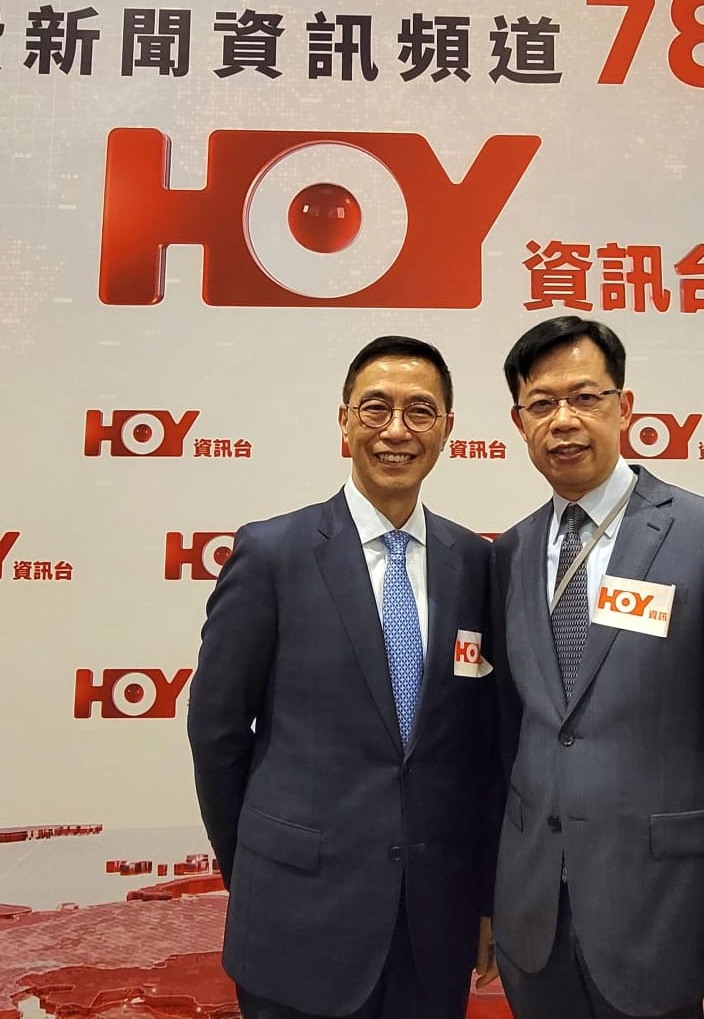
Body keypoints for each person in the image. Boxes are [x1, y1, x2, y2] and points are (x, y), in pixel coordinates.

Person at [490, 317, 704, 1019]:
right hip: (535, 934)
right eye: (542, 403)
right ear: (518, 422)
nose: (564, 420)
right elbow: (509, 744)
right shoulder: (507, 554)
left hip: (668, 933)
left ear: (623, 407)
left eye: (585, 397)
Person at [188, 335, 498, 1019]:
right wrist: (257, 873)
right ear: (344, 419)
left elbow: (480, 751)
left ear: (447, 428)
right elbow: (215, 732)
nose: (396, 430)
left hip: (433, 929)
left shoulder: (475, 564)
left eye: (420, 411)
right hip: (295, 919)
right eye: (375, 408)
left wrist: (483, 896)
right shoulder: (272, 553)